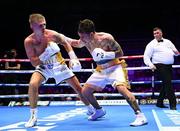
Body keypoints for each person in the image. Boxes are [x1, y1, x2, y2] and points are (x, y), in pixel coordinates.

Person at [69, 19, 148, 126]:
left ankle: (140, 116)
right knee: (85, 91)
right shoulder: (84, 40)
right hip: (101, 70)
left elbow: (120, 53)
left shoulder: (106, 38)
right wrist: (60, 38)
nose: (81, 39)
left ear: (92, 34)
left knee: (122, 90)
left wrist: (106, 55)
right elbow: (76, 44)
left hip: (115, 67)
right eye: (80, 36)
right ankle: (99, 111)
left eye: (83, 36)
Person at [24, 13, 91, 128]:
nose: (43, 27)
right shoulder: (29, 41)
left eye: (44, 24)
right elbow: (34, 62)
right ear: (32, 26)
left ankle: (91, 109)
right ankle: (33, 116)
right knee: (32, 84)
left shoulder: (52, 34)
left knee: (79, 88)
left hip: (59, 64)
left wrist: (73, 58)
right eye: (40, 25)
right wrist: (45, 55)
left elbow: (65, 42)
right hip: (43, 67)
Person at [143, 27, 179, 110]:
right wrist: (150, 65)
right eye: (154, 33)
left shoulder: (168, 42)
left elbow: (175, 52)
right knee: (168, 84)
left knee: (165, 84)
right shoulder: (151, 44)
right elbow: (146, 56)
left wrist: (176, 53)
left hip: (169, 66)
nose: (156, 35)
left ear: (161, 33)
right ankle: (173, 104)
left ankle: (159, 102)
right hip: (159, 66)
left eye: (157, 33)